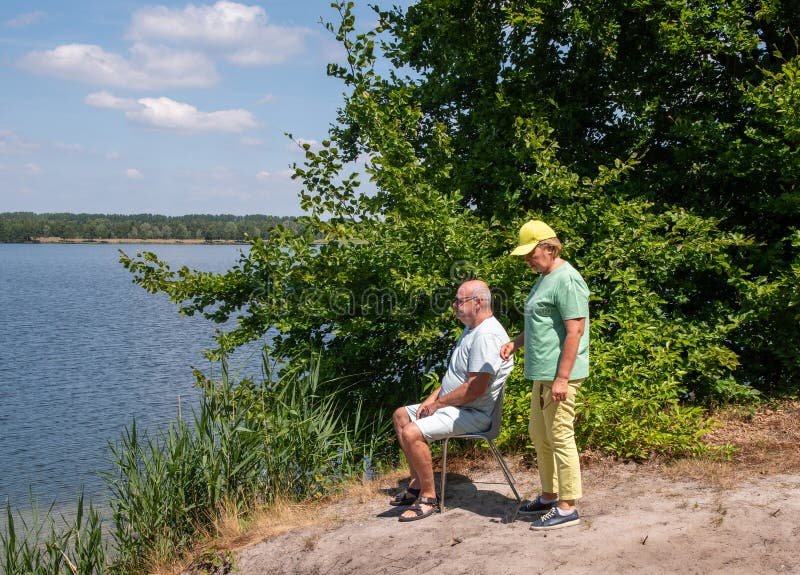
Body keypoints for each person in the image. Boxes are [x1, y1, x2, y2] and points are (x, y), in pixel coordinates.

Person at [391, 279, 513, 522]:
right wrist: (431, 399)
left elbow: (475, 388)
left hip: (473, 413)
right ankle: (416, 483)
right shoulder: (472, 329)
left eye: (459, 300)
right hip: (455, 406)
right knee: (401, 415)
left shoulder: (486, 335)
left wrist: (438, 405)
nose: (453, 305)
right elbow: (455, 378)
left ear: (478, 303)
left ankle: (428, 498)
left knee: (412, 433)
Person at [500, 220, 590, 531]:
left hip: (559, 374)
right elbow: (539, 322)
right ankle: (550, 495)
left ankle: (568, 506)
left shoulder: (567, 279)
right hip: (542, 374)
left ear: (548, 248)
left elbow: (574, 331)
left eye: (530, 252)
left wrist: (563, 379)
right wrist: (516, 342)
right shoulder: (544, 277)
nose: (527, 259)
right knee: (540, 436)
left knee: (561, 435)